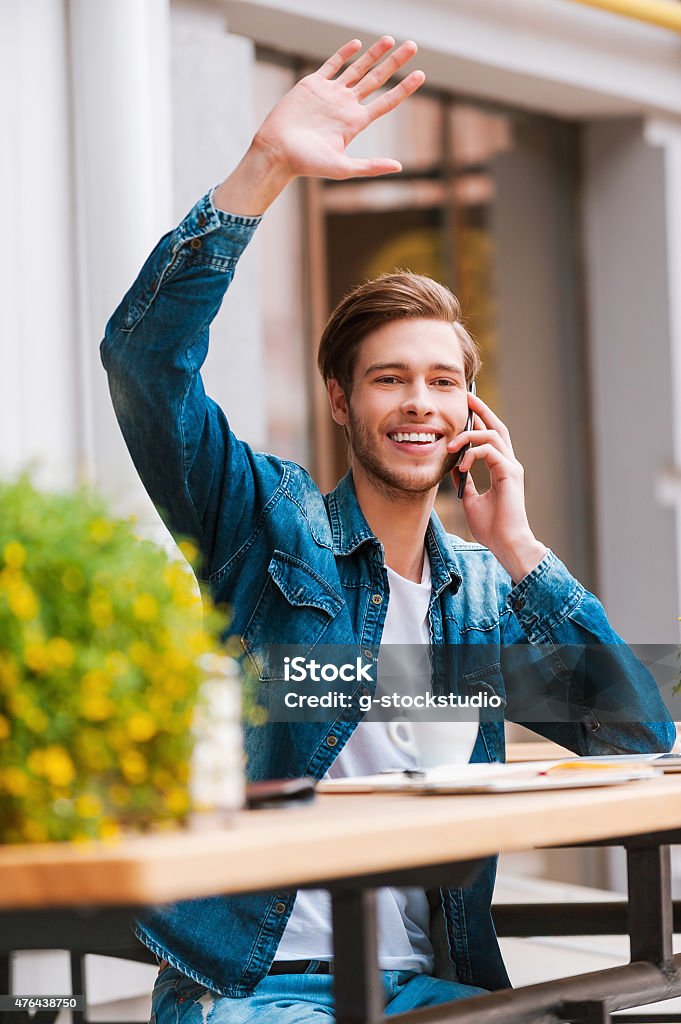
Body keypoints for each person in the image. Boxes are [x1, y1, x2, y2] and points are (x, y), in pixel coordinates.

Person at [101, 36, 674, 1022]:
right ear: (339, 398)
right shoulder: (265, 523)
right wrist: (265, 168)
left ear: (471, 412)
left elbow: (640, 731)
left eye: (443, 381)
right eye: (390, 378)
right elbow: (144, 362)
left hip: (430, 988)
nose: (420, 403)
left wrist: (519, 546)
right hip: (258, 987)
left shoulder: (484, 596)